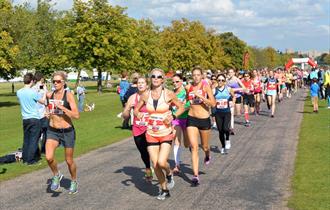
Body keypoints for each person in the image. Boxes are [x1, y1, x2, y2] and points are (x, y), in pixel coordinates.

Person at [134, 68, 184, 200]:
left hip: (165, 132)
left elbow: (181, 107)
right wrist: (138, 114)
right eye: (153, 76)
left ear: (163, 79)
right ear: (150, 78)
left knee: (162, 162)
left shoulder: (168, 94)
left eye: (158, 76)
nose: (155, 78)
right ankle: (164, 189)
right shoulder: (145, 95)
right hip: (151, 133)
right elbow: (136, 110)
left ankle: (169, 173)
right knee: (155, 164)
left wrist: (173, 116)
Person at [45, 71, 80, 194]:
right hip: (52, 130)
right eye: (54, 81)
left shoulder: (68, 95)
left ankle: (74, 181)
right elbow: (47, 110)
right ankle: (56, 175)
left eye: (58, 81)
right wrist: (47, 113)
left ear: (63, 82)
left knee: (69, 160)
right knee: (49, 157)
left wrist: (63, 108)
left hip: (67, 131)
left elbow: (76, 115)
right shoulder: (50, 95)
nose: (55, 83)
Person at [185, 67, 216, 185]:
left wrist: (202, 97)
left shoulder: (205, 86)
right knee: (194, 147)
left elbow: (213, 103)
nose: (196, 77)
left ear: (202, 76)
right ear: (191, 76)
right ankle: (195, 175)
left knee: (205, 146)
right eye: (194, 75)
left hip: (204, 119)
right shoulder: (188, 87)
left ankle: (207, 155)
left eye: (198, 75)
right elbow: (187, 103)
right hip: (191, 117)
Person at [122, 77, 152, 181]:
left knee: (152, 150)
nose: (140, 84)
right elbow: (125, 115)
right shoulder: (132, 97)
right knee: (143, 151)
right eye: (138, 83)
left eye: (142, 83)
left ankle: (157, 166)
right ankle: (148, 167)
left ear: (147, 85)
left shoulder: (152, 96)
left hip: (151, 127)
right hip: (137, 128)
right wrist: (126, 111)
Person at [17, 73, 45, 165]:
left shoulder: (19, 92)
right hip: (34, 118)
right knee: (34, 139)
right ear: (32, 81)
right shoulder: (33, 92)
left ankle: (25, 159)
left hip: (25, 119)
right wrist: (44, 92)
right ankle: (31, 160)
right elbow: (42, 102)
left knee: (26, 139)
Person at [171, 74, 190, 174]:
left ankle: (190, 145)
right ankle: (177, 165)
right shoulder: (172, 93)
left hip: (186, 118)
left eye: (177, 81)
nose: (175, 84)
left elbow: (190, 103)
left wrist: (184, 107)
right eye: (173, 82)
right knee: (177, 140)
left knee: (187, 144)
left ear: (181, 81)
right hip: (176, 119)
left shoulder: (186, 91)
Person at [213, 74, 236, 154]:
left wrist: (233, 102)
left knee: (226, 128)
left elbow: (234, 96)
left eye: (222, 80)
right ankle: (223, 146)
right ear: (216, 80)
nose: (220, 82)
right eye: (219, 80)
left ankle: (227, 139)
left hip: (227, 112)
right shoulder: (214, 90)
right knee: (220, 130)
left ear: (225, 81)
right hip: (218, 113)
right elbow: (211, 99)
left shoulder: (228, 89)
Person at [33, 72, 48, 154]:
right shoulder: (42, 87)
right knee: (45, 132)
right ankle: (43, 149)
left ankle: (36, 150)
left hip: (36, 113)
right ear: (41, 78)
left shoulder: (33, 88)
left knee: (37, 134)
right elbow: (45, 99)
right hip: (42, 113)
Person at [226, 69, 246, 134]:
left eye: (232, 72)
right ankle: (231, 128)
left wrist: (234, 89)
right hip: (230, 97)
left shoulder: (237, 79)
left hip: (237, 96)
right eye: (229, 72)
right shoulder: (227, 80)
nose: (230, 73)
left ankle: (231, 125)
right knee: (231, 113)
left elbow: (243, 88)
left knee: (238, 113)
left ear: (234, 73)